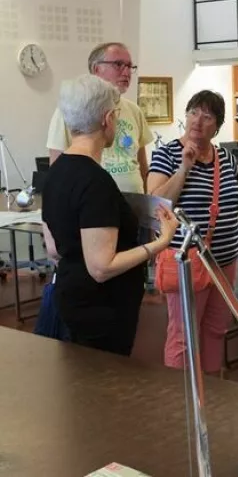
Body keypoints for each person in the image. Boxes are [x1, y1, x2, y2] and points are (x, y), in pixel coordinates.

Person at [41, 75, 179, 356]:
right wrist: (161, 242)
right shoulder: (95, 182)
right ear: (107, 119)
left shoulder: (54, 173)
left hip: (71, 297)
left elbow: (54, 249)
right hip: (101, 309)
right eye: (116, 115)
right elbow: (101, 268)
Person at [148, 90, 238, 376]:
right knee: (183, 336)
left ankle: (211, 392)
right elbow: (157, 204)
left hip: (224, 262)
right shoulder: (168, 154)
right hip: (188, 263)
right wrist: (184, 168)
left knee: (215, 329)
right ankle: (182, 400)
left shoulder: (226, 158)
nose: (198, 120)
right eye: (193, 112)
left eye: (207, 116)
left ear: (217, 126)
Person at [47, 42, 153, 194]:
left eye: (130, 66)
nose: (126, 72)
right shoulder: (70, 109)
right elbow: (57, 168)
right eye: (118, 64)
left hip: (134, 206)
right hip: (93, 202)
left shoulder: (134, 110)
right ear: (96, 70)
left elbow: (142, 165)